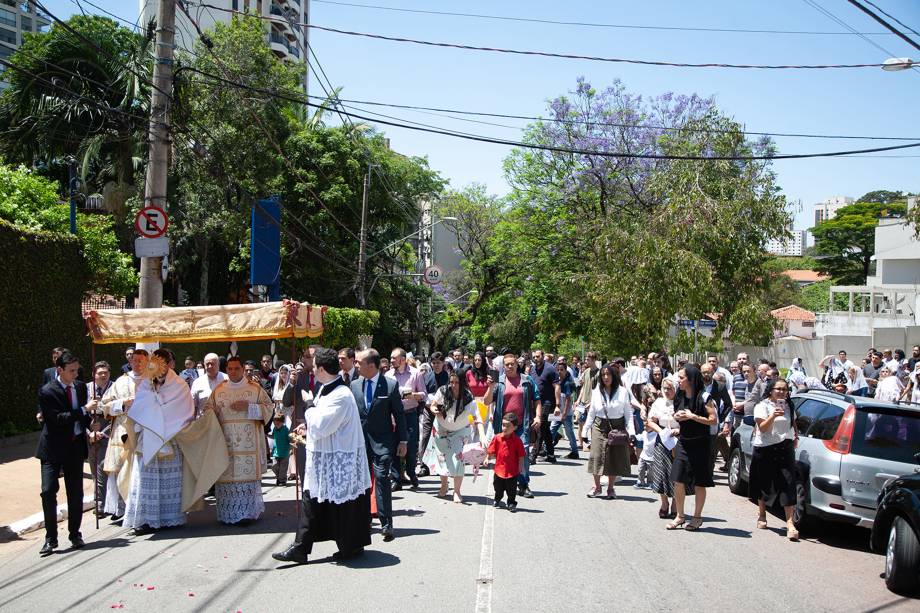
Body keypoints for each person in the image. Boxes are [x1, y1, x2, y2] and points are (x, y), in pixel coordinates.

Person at [272, 347, 372, 565]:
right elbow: (321, 424)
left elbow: (322, 423)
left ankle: (351, 547)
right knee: (312, 501)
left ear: (323, 369)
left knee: (344, 504)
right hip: (324, 458)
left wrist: (308, 405)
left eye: (315, 365)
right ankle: (300, 548)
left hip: (340, 460)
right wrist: (307, 428)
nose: (312, 368)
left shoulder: (341, 394)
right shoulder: (325, 389)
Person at [122, 349, 194, 536]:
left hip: (170, 438)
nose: (160, 369)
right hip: (149, 438)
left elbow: (184, 411)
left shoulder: (180, 385)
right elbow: (140, 406)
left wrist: (160, 411)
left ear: (169, 364)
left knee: (169, 481)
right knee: (146, 480)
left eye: (164, 364)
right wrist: (152, 406)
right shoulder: (146, 383)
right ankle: (145, 519)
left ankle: (170, 517)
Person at [205, 356, 274, 525]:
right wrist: (210, 414)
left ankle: (247, 514)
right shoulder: (219, 390)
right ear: (226, 370)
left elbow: (268, 409)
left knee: (246, 479)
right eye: (230, 369)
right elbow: (208, 409)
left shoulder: (255, 389)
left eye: (236, 368)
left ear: (243, 369)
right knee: (227, 479)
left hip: (248, 445)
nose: (233, 371)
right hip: (225, 444)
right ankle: (228, 514)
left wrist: (249, 407)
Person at [36, 351, 93, 555]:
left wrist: (90, 426)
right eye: (72, 371)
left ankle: (75, 533)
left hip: (75, 446)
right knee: (48, 490)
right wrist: (84, 411)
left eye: (77, 370)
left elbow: (84, 417)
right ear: (59, 370)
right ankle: (50, 538)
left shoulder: (79, 387)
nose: (76, 374)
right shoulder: (47, 391)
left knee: (75, 492)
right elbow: (57, 419)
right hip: (52, 448)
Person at [353, 349, 407, 542]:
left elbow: (399, 415)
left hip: (383, 442)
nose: (356, 365)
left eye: (359, 362)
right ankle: (364, 520)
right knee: (362, 482)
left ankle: (386, 524)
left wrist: (403, 441)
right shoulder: (354, 385)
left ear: (371, 365)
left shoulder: (390, 386)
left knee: (382, 479)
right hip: (359, 443)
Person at [665, 365, 717, 532]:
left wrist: (693, 417)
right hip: (683, 442)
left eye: (681, 378)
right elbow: (676, 414)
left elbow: (713, 420)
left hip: (700, 444)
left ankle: (697, 517)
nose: (678, 381)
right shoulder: (679, 396)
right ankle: (680, 515)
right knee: (678, 479)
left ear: (691, 379)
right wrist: (677, 417)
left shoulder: (704, 397)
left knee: (699, 482)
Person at [100, 348, 149, 520]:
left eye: (141, 360)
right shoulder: (120, 382)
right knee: (120, 469)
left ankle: (139, 507)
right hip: (122, 430)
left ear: (147, 362)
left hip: (145, 430)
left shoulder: (152, 381)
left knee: (140, 469)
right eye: (134, 360)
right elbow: (104, 406)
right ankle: (120, 508)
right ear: (130, 361)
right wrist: (122, 403)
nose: (137, 363)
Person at [749, 378, 800, 540]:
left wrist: (795, 436)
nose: (781, 392)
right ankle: (762, 514)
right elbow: (763, 428)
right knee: (764, 482)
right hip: (765, 448)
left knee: (788, 483)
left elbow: (793, 422)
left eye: (784, 390)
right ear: (771, 390)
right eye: (778, 389)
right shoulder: (762, 406)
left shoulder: (789, 406)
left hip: (785, 448)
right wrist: (773, 415)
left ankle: (790, 523)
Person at [485, 353, 540, 499]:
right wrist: (490, 387)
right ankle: (503, 482)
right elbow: (486, 401)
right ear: (503, 366)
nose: (510, 366)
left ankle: (523, 484)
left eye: (512, 363)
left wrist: (538, 416)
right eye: (507, 364)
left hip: (522, 424)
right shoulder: (499, 382)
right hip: (503, 427)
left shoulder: (527, 380)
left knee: (524, 453)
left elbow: (537, 399)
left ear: (517, 364)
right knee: (504, 454)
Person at [426, 369, 486, 503]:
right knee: (442, 458)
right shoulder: (442, 390)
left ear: (463, 383)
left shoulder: (468, 397)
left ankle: (457, 491)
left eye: (457, 382)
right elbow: (433, 404)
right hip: (441, 428)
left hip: (460, 430)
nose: (453, 385)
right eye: (451, 382)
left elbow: (477, 417)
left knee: (458, 459)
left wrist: (482, 435)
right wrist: (434, 409)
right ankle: (443, 485)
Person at [583, 363, 635, 500]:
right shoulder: (596, 391)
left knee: (613, 457)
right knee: (597, 455)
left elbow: (628, 414)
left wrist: (632, 432)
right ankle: (597, 487)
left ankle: (611, 488)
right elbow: (591, 413)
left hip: (617, 427)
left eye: (608, 374)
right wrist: (584, 431)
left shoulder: (623, 392)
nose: (606, 377)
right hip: (599, 426)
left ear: (614, 376)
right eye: (603, 375)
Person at [386, 348, 427, 488]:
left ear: (402, 359)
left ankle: (411, 472)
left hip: (409, 414)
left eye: (393, 358)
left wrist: (413, 395)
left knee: (411, 445)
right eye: (390, 358)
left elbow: (424, 395)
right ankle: (396, 479)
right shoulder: (388, 375)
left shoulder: (416, 374)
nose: (391, 361)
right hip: (392, 415)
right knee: (393, 445)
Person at [648, 378, 679, 519]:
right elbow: (650, 421)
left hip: (677, 440)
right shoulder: (658, 403)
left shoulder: (681, 403)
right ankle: (664, 502)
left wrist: (678, 431)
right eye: (665, 388)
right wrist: (660, 431)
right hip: (662, 439)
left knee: (676, 473)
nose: (667, 391)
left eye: (670, 388)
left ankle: (676, 503)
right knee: (661, 472)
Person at [87, 361, 113, 517]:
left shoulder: (115, 387)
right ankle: (100, 501)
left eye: (106, 373)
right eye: (100, 373)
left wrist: (103, 432)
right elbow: (81, 413)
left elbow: (121, 414)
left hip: (109, 434)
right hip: (90, 436)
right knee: (95, 470)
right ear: (94, 374)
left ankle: (101, 503)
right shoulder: (86, 389)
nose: (103, 376)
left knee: (104, 468)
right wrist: (89, 433)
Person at [488, 413, 526, 511]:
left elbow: (521, 455)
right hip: (499, 470)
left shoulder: (518, 441)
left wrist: (520, 466)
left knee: (512, 489)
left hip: (512, 471)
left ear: (515, 427)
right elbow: (491, 451)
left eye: (508, 426)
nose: (504, 428)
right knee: (497, 487)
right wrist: (486, 459)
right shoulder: (497, 438)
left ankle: (511, 503)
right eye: (503, 425)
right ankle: (497, 498)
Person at [530, 349, 560, 463]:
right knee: (545, 428)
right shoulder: (532, 369)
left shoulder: (550, 369)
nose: (536, 359)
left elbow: (557, 386)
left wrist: (557, 405)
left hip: (548, 402)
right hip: (536, 402)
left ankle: (533, 455)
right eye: (534, 357)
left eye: (538, 356)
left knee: (540, 426)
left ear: (543, 356)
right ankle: (551, 454)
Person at [550, 358, 579, 459]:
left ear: (566, 370)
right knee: (551, 430)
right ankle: (548, 450)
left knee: (569, 432)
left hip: (566, 413)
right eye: (558, 370)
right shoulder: (557, 381)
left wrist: (565, 413)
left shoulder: (567, 383)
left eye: (561, 370)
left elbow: (568, 399)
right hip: (557, 412)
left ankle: (575, 452)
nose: (559, 372)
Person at [270, 414, 291, 486]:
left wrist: (291, 448)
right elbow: (273, 436)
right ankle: (279, 478)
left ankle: (282, 480)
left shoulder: (286, 430)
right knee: (274, 466)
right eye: (275, 423)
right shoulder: (275, 429)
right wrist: (267, 435)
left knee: (283, 468)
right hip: (276, 452)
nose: (276, 425)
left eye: (278, 423)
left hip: (284, 452)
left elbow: (290, 440)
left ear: (282, 422)